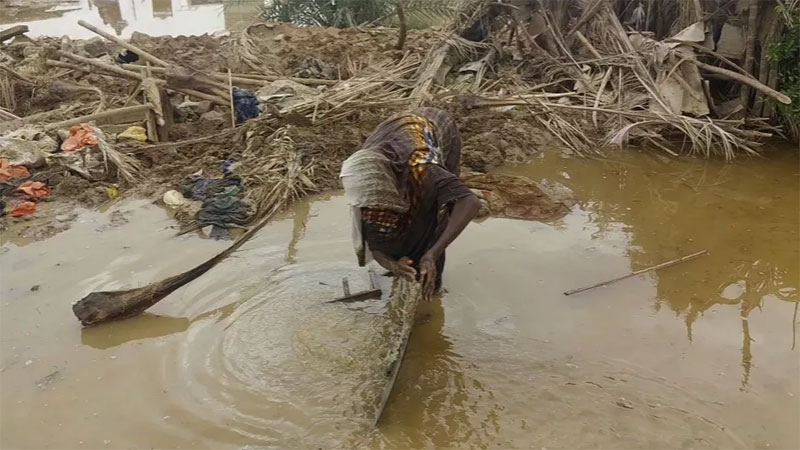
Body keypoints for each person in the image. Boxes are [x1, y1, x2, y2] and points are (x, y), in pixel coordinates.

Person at [340, 107, 480, 300]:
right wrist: (394, 265)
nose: (377, 210)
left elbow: (470, 202)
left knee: (435, 210)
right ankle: (414, 262)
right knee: (391, 227)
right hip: (395, 135)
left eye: (383, 205)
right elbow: (375, 245)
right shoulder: (363, 185)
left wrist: (432, 254)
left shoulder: (422, 166)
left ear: (391, 188)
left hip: (438, 127)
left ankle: (433, 279)